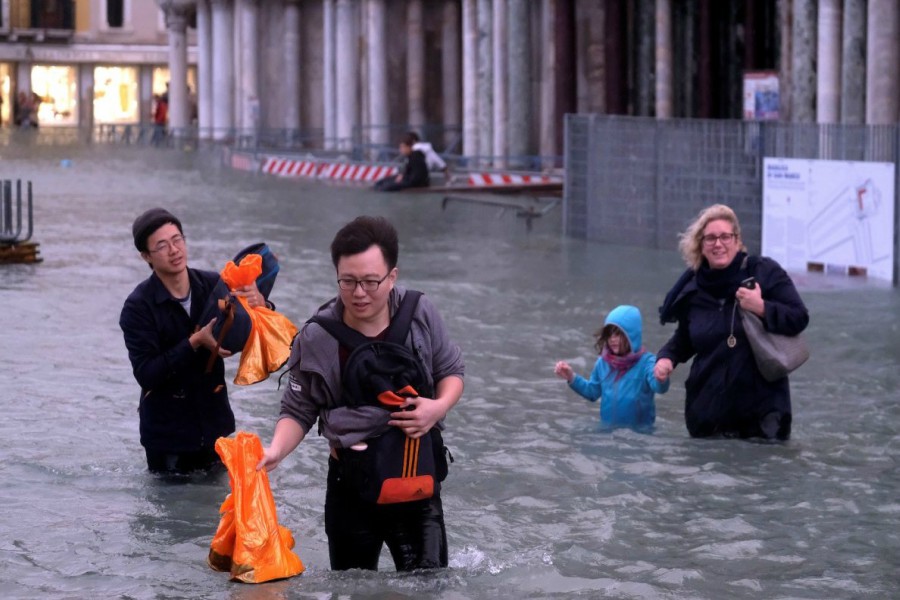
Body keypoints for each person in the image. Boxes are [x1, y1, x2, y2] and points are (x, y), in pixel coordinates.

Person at [257, 215, 465, 571]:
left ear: (392, 276)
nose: (359, 293)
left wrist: (437, 407)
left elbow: (451, 372)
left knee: (427, 588)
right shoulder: (317, 335)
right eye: (348, 281)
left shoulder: (419, 313)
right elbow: (298, 408)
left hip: (416, 486)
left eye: (371, 282)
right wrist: (275, 450)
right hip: (350, 488)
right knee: (351, 589)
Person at [120, 208, 266, 474]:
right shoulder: (138, 307)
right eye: (162, 246)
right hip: (167, 438)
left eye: (177, 240)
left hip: (215, 427)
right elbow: (146, 374)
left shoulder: (213, 285)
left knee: (215, 510)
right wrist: (194, 342)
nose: (174, 250)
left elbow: (245, 334)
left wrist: (259, 304)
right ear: (146, 257)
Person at [653, 204, 809, 440]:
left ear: (737, 241)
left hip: (763, 417)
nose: (718, 244)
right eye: (711, 238)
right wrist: (666, 358)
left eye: (725, 236)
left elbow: (799, 317)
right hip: (708, 416)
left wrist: (762, 307)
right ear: (700, 245)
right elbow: (685, 338)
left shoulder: (763, 272)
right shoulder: (693, 289)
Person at [555, 305, 669, 432]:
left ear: (632, 335)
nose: (612, 339)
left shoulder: (647, 362)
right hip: (607, 434)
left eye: (618, 334)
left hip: (640, 436)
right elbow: (592, 392)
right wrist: (572, 378)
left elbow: (659, 388)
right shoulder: (603, 363)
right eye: (609, 334)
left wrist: (661, 378)